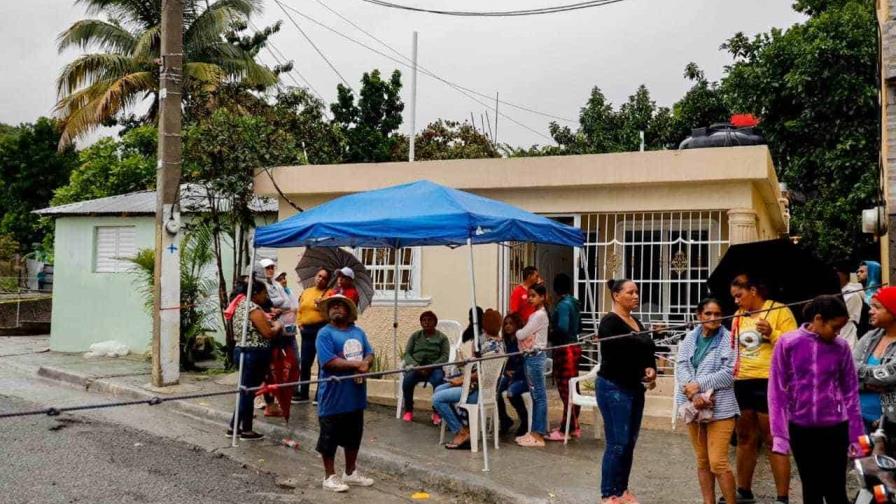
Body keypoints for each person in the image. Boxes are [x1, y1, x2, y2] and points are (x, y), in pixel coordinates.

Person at [769, 295, 862, 504]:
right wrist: (780, 436)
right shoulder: (788, 343)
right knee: (811, 489)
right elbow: (776, 391)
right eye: (835, 327)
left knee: (836, 489)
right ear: (818, 319)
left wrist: (856, 435)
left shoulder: (841, 347)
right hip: (801, 429)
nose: (838, 333)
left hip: (835, 428)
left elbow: (851, 392)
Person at [729, 273, 797, 504]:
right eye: (734, 297)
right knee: (744, 436)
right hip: (743, 381)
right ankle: (744, 490)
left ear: (753, 291)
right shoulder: (738, 316)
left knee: (772, 438)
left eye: (739, 295)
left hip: (770, 381)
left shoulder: (779, 311)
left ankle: (782, 497)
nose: (736, 301)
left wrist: (772, 333)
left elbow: (796, 345)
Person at [597, 279, 656, 504]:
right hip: (614, 388)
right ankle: (608, 493)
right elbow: (619, 355)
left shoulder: (635, 321)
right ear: (616, 295)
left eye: (637, 292)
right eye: (630, 292)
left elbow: (647, 350)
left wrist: (651, 368)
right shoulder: (609, 323)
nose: (635, 296)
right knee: (617, 442)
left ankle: (622, 490)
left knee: (630, 442)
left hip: (634, 388)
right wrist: (640, 367)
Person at [675, 298, 738, 504]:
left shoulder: (729, 339)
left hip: (721, 408)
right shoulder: (689, 338)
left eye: (717, 314)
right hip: (693, 406)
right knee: (702, 462)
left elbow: (729, 373)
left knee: (718, 462)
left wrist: (698, 385)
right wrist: (693, 394)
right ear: (699, 315)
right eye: (708, 314)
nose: (713, 318)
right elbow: (682, 366)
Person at [315, 294, 375, 492]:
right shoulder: (325, 333)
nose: (336, 308)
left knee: (354, 435)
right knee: (329, 437)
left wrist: (366, 362)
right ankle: (329, 476)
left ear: (349, 311)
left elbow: (369, 353)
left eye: (341, 305)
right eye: (333, 306)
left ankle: (350, 472)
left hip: (355, 395)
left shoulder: (358, 332)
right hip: (333, 396)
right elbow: (329, 361)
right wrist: (357, 364)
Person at [434, 308, 505, 449]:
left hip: (476, 391)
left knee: (437, 399)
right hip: (485, 390)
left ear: (485, 325)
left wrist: (461, 380)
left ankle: (461, 431)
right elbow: (479, 367)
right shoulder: (500, 343)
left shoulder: (488, 346)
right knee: (439, 388)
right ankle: (464, 426)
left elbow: (481, 374)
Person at [227, 280, 283, 441]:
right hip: (254, 353)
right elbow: (268, 333)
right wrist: (277, 326)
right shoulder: (252, 308)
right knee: (247, 392)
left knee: (246, 391)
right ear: (256, 293)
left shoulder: (240, 304)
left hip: (244, 351)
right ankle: (242, 429)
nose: (265, 297)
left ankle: (238, 428)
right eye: (264, 293)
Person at [544, 273, 582, 442]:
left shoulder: (563, 305)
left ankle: (567, 428)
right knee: (573, 388)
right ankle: (570, 425)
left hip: (565, 350)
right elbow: (578, 327)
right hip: (574, 346)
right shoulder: (574, 303)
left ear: (555, 287)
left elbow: (563, 328)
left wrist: (549, 334)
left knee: (566, 390)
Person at [854, 286, 896, 433]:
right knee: (860, 456)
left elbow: (890, 375)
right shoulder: (870, 337)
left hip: (889, 425)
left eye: (877, 307)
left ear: (893, 311)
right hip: (858, 421)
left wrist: (860, 376)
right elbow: (846, 369)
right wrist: (871, 384)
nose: (870, 311)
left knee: (886, 457)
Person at [515, 283, 551, 448]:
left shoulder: (538, 316)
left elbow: (522, 333)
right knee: (538, 396)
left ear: (542, 297)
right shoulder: (538, 315)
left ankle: (537, 434)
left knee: (539, 396)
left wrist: (517, 333)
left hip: (534, 357)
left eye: (533, 296)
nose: (530, 299)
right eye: (529, 296)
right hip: (534, 357)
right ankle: (535, 432)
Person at [401, 311, 450, 424]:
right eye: (424, 320)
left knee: (439, 380)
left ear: (435, 322)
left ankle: (436, 412)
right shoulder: (415, 336)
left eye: (429, 320)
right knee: (407, 380)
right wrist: (416, 366)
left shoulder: (442, 338)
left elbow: (445, 357)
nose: (426, 323)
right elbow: (407, 354)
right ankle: (408, 410)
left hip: (434, 368)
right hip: (416, 367)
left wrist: (431, 366)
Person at [295, 267, 331, 403]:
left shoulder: (329, 293)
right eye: (319, 276)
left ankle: (319, 395)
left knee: (322, 363)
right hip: (306, 331)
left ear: (327, 281)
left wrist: (322, 305)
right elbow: (300, 309)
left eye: (324, 278)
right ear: (315, 276)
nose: (320, 279)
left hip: (321, 329)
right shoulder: (307, 291)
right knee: (305, 362)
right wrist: (299, 323)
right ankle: (303, 393)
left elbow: (329, 314)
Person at [497, 313, 529, 437]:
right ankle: (504, 419)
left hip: (522, 377)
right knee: (495, 391)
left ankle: (525, 420)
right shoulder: (504, 342)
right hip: (508, 375)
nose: (508, 326)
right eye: (505, 324)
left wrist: (514, 374)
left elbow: (525, 362)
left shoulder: (522, 342)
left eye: (511, 324)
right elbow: (501, 361)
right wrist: (505, 372)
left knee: (511, 392)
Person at [836, 262, 867, 349]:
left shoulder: (852, 293)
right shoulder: (838, 291)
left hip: (848, 330)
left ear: (843, 275)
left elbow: (845, 316)